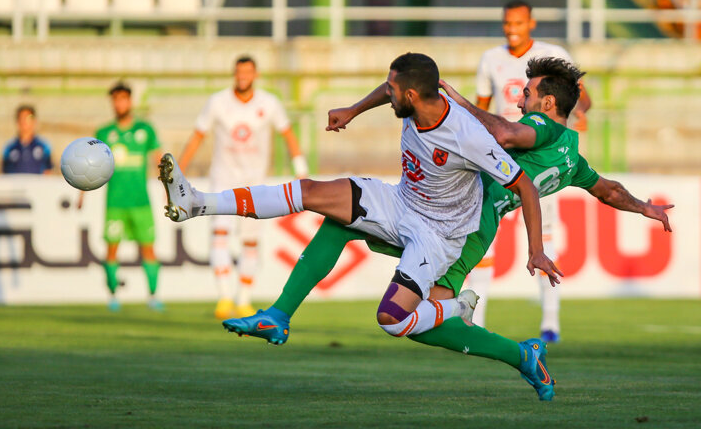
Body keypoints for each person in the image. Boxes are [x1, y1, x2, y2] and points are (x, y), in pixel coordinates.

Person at [221, 57, 673, 401]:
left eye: (527, 93)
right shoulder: (572, 154)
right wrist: (645, 208)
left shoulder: (539, 127)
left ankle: (516, 352)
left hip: (462, 224)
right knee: (342, 223)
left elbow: (505, 134)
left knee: (412, 319)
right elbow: (606, 189)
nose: (520, 99)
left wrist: (457, 104)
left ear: (547, 104)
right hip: (449, 216)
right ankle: (280, 314)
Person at [160, 52, 559, 396]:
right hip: (402, 202)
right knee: (317, 196)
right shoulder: (413, 98)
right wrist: (352, 109)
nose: (387, 95)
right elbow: (387, 90)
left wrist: (536, 249)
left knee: (394, 319)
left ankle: (506, 343)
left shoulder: (468, 136)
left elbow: (524, 185)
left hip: (438, 235)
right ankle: (200, 207)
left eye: (392, 91)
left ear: (411, 96)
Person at [472, 0, 593, 342]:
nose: (512, 29)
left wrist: (579, 111)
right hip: (500, 159)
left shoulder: (552, 55)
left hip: (539, 158)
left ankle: (550, 323)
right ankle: (476, 320)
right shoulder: (490, 60)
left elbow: (581, 95)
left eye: (518, 23)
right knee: (485, 237)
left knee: (545, 237)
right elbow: (481, 109)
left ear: (532, 23)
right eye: (507, 23)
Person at [176, 56, 309, 320]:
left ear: (255, 74)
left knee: (250, 241)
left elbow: (288, 134)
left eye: (247, 72)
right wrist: (178, 172)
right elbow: (198, 136)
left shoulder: (269, 103)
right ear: (234, 74)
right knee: (221, 235)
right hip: (223, 180)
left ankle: (244, 300)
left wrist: (301, 169)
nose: (242, 76)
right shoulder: (218, 102)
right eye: (238, 72)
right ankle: (225, 298)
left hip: (255, 183)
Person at [79, 81, 163, 312]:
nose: (119, 103)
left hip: (141, 202)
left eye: (123, 98)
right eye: (115, 99)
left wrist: (169, 188)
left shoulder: (145, 130)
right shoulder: (104, 133)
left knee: (148, 248)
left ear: (130, 101)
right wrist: (82, 192)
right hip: (115, 202)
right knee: (112, 248)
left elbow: (158, 160)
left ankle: (153, 296)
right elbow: (89, 165)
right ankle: (113, 295)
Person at [1, 105, 53, 174]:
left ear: (34, 121)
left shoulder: (43, 146)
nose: (24, 121)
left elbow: (48, 171)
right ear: (17, 121)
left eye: (28, 118)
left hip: (37, 184)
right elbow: (4, 172)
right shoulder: (9, 147)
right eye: (21, 118)